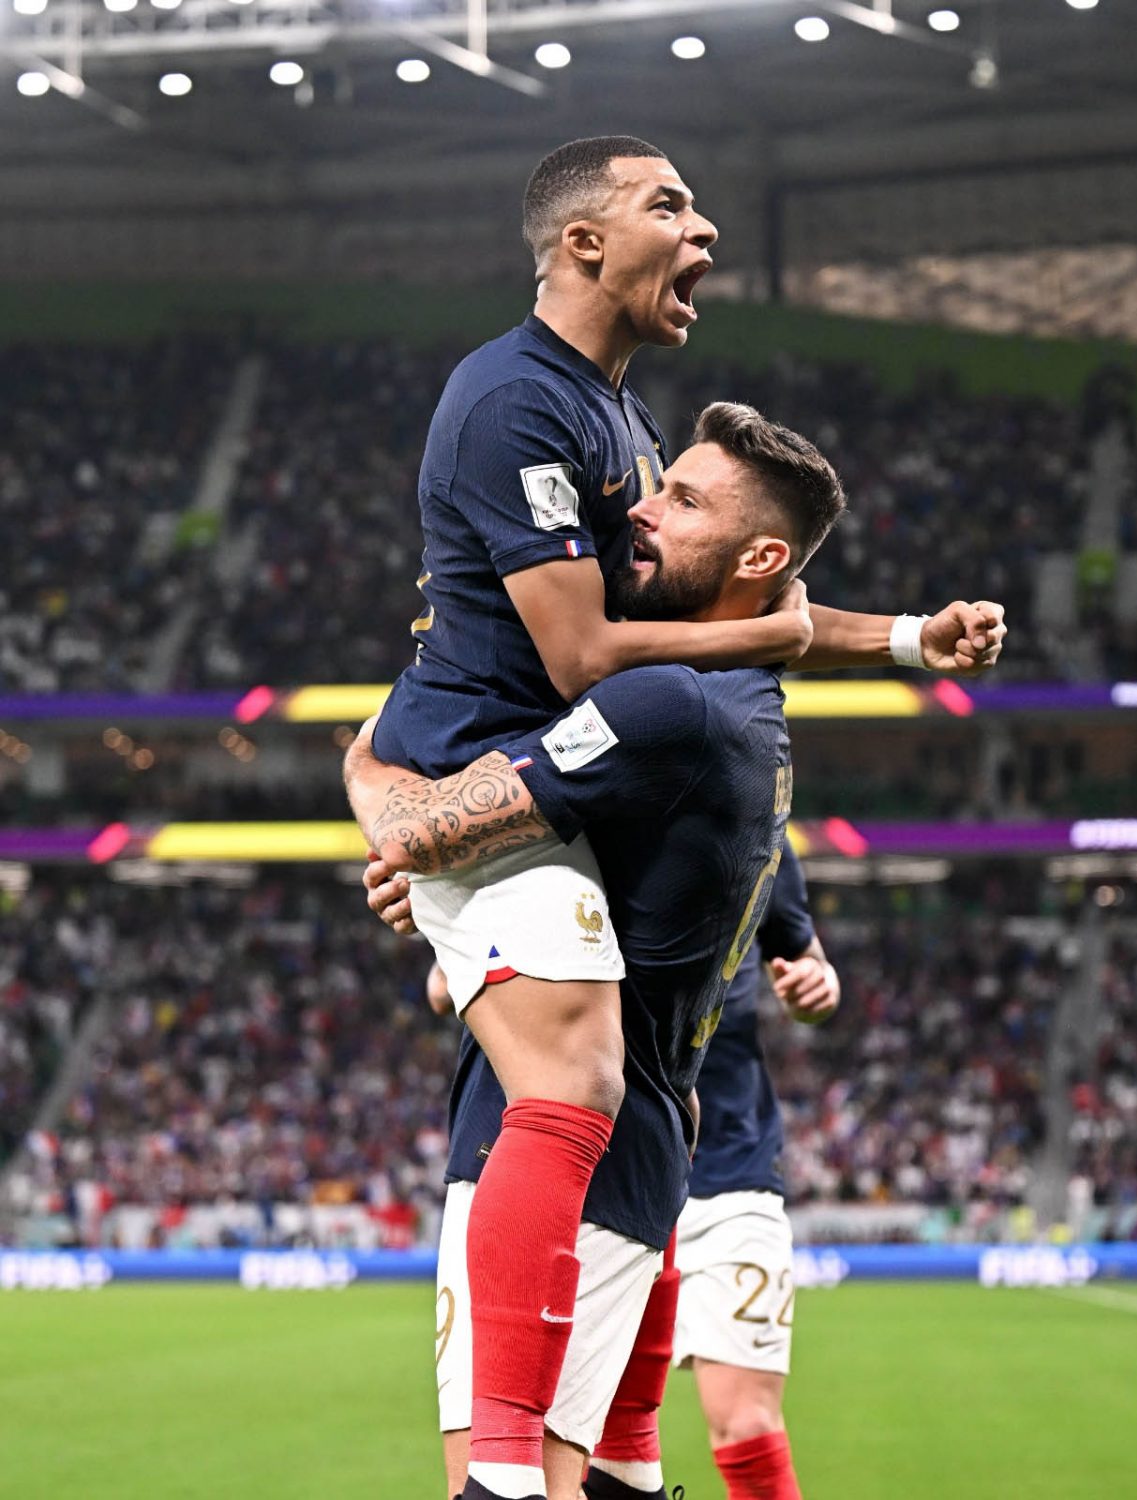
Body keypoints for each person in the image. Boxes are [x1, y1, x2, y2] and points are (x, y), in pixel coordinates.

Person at [365, 132, 1005, 1500]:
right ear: (586, 242)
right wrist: (408, 818)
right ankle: (496, 1473)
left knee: (637, 1092)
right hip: (490, 767)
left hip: (539, 794)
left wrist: (901, 639)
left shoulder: (619, 421)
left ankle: (567, 1460)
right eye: (672, 206)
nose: (704, 232)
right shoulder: (510, 403)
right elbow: (597, 654)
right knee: (590, 1075)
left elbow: (729, 616)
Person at [348, 405, 848, 1500]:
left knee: (509, 1486)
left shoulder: (669, 703)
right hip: (643, 1133)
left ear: (760, 560)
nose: (643, 508)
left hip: (566, 1144)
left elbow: (419, 826)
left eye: (684, 501)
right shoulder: (749, 706)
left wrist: (379, 777)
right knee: (591, 1481)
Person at [672, 845, 838, 1500]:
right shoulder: (581, 787)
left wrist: (818, 988)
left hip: (729, 1166)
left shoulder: (756, 813)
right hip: (601, 1167)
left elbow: (809, 962)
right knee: (584, 1432)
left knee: (746, 1424)